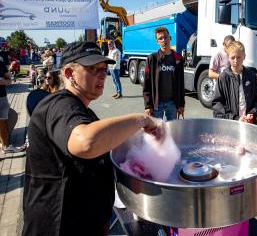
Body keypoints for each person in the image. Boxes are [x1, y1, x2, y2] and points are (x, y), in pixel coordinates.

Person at [23, 42, 165, 236]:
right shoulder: (60, 105)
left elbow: (103, 144)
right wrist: (141, 119)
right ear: (68, 74)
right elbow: (86, 143)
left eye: (104, 69)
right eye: (92, 69)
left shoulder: (82, 110)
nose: (102, 75)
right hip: (60, 226)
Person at [212, 41, 257, 124]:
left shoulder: (251, 76)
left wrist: (253, 112)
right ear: (228, 57)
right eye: (233, 57)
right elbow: (217, 104)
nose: (236, 60)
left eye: (239, 57)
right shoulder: (223, 77)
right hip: (230, 124)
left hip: (249, 123)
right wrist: (235, 118)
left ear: (244, 57)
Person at [143, 26, 185, 120]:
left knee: (172, 130)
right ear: (157, 42)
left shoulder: (178, 59)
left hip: (173, 103)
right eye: (160, 38)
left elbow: (181, 84)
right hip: (157, 103)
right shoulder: (152, 59)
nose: (163, 40)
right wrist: (148, 105)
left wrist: (181, 105)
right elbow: (147, 84)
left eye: (165, 37)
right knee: (157, 131)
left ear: (170, 38)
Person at [0, 56, 23, 153]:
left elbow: (9, 79)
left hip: (1, 97)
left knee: (2, 122)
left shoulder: (0, 64)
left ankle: (5, 146)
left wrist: (5, 81)